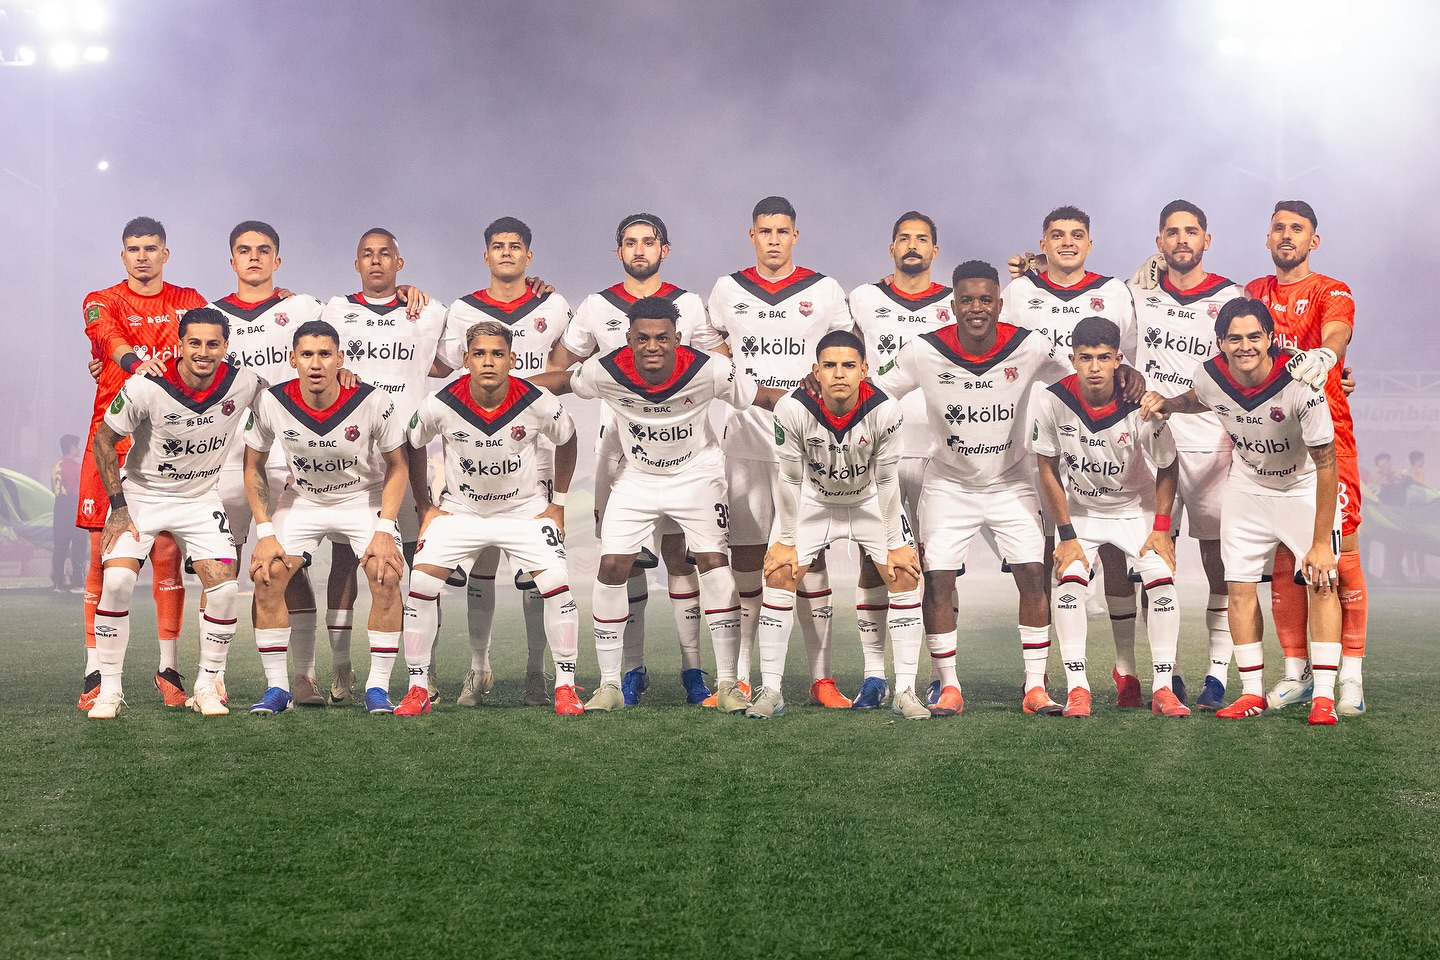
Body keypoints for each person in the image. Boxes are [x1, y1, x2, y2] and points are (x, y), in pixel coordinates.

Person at [532, 295, 787, 714]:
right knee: (612, 565)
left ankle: (727, 684)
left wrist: (812, 400)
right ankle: (610, 685)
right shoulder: (605, 370)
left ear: (678, 338)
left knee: (712, 562)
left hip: (697, 476)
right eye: (643, 338)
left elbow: (763, 398)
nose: (653, 346)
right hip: (637, 478)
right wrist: (505, 386)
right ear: (629, 339)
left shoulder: (710, 368)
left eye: (662, 338)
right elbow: (561, 382)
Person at [876, 260, 1076, 715]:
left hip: (1012, 481)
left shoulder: (1030, 345)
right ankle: (948, 685)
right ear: (953, 305)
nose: (976, 308)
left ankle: (1035, 687)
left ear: (1000, 304)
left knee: (1033, 575)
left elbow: (1075, 380)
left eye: (986, 299)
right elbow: (876, 391)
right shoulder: (924, 350)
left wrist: (1125, 378)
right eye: (966, 300)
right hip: (949, 485)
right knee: (938, 581)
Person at [1140, 297, 1343, 724]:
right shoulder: (1210, 373)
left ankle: (1324, 695)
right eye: (1234, 338)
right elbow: (1202, 397)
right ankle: (1251, 692)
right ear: (1220, 342)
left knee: (1322, 580)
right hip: (1248, 486)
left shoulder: (1300, 381)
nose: (1245, 346)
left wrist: (1321, 542)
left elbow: (1327, 463)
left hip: (1303, 486)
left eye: (1254, 337)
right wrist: (1171, 403)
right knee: (1238, 586)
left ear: (1270, 338)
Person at [692, 196, 854, 708]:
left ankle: (822, 679)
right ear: (752, 236)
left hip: (807, 442)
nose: (774, 240)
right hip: (744, 441)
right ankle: (740, 677)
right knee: (745, 557)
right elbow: (711, 346)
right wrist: (734, 376)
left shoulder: (824, 290)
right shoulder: (727, 289)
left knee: (811, 559)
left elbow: (848, 347)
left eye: (782, 231)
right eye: (765, 231)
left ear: (795, 236)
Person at [549, 213, 710, 705]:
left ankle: (693, 671)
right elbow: (561, 364)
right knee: (627, 561)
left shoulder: (688, 304)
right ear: (619, 251)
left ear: (664, 249)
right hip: (617, 450)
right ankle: (633, 671)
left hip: (679, 448)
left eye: (648, 242)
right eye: (630, 243)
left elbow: (715, 359)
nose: (640, 250)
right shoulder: (596, 306)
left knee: (680, 557)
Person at [1002, 206, 1149, 707]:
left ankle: (1125, 669)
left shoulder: (1113, 292)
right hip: (1040, 431)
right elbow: (1003, 353)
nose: (1067, 242)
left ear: (1090, 243)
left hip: (1103, 434)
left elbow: (1129, 359)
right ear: (1043, 243)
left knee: (1114, 555)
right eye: (1057, 235)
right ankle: (1043, 675)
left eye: (1077, 235)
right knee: (1047, 554)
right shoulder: (1019, 292)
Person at [87, 308, 263, 719]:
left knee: (224, 589)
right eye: (194, 343)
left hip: (199, 499)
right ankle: (109, 689)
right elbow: (103, 438)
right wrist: (118, 507)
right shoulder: (146, 386)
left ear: (226, 346)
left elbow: (291, 398)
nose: (203, 352)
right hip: (142, 496)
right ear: (180, 344)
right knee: (117, 581)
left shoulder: (244, 382)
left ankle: (206, 686)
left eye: (213, 344)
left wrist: (342, 378)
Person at [403, 320, 583, 717]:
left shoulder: (536, 399)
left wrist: (558, 503)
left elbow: (568, 438)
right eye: (480, 354)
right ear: (466, 359)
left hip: (523, 511)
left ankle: (566, 686)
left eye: (497, 354)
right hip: (462, 510)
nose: (488, 362)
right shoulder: (441, 402)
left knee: (557, 582)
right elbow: (413, 442)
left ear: (512, 360)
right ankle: (417, 687)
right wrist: (424, 505)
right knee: (420, 583)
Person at [431, 217, 573, 708]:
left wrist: (523, 394)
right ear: (486, 256)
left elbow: (564, 367)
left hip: (535, 450)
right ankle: (479, 669)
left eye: (515, 246)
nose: (507, 252)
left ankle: (537, 673)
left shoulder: (554, 305)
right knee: (481, 566)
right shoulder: (463, 310)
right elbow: (443, 368)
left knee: (538, 573)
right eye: (498, 246)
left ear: (529, 256)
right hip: (476, 451)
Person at [754, 331, 925, 719]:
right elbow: (789, 478)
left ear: (864, 370)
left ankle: (905, 691)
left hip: (868, 501)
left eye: (849, 365)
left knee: (904, 575)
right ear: (816, 371)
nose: (839, 374)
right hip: (813, 502)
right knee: (779, 573)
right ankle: (771, 691)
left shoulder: (886, 409)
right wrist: (786, 540)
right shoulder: (792, 408)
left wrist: (895, 543)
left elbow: (887, 480)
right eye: (829, 366)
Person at [242, 320, 409, 715]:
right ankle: (278, 688)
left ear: (340, 359)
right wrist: (264, 531)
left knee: (385, 572)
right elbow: (253, 467)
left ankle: (378, 688)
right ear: (293, 359)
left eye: (324, 354)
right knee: (267, 573)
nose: (315, 364)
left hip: (362, 498)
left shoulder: (372, 400)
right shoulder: (271, 402)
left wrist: (385, 528)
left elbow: (398, 466)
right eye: (306, 355)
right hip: (303, 500)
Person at [1122, 200, 1244, 710]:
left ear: (1206, 240)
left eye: (1191, 231)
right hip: (1153, 443)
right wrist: (1034, 272)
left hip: (1213, 445)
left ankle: (1217, 674)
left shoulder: (1231, 296)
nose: (1182, 240)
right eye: (1171, 232)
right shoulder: (1137, 296)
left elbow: (1251, 361)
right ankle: (1165, 674)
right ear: (1159, 243)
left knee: (1220, 561)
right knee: (1156, 562)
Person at [79, 216, 205, 710]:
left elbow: (213, 342)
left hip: (167, 443)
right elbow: (108, 337)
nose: (142, 256)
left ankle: (167, 666)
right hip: (110, 442)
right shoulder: (101, 299)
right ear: (123, 255)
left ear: (165, 254)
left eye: (151, 248)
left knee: (167, 554)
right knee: (102, 556)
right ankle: (94, 669)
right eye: (133, 249)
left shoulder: (189, 300)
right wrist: (133, 364)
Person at [1245, 201, 1365, 715]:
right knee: (1284, 557)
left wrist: (1327, 355)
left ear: (1313, 241)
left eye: (1297, 228)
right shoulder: (1252, 293)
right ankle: (1295, 672)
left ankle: (1350, 676)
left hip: (1328, 437)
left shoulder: (1331, 290)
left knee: (1342, 555)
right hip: (1272, 438)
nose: (1286, 235)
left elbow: (1337, 330)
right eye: (1278, 228)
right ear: (1267, 238)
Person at [318, 228, 446, 707]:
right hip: (352, 456)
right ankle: (341, 666)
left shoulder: (428, 312)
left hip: (407, 454)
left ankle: (423, 669)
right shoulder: (334, 310)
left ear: (399, 263)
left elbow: (443, 364)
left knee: (419, 565)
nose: (376, 261)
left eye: (385, 254)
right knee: (344, 564)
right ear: (356, 264)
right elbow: (311, 352)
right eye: (367, 255)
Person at [1032, 316, 1184, 718]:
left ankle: (1164, 688)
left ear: (1118, 359)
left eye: (1103, 357)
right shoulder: (1052, 400)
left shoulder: (1141, 405)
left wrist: (1162, 529)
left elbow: (1168, 465)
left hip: (1136, 509)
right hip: (1082, 512)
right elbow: (1047, 467)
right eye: (1086, 358)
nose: (1095, 367)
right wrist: (1066, 535)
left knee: (1162, 582)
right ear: (1073, 360)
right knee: (1068, 586)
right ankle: (1077, 688)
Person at [846, 211, 953, 708]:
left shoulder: (953, 303)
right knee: (873, 560)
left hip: (940, 450)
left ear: (935, 251)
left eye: (922, 239)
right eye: (904, 238)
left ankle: (938, 674)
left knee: (937, 566)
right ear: (891, 248)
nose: (913, 246)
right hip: (878, 447)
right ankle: (874, 674)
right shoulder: (864, 299)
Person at [50, 435, 86, 592]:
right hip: (73, 507)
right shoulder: (75, 467)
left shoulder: (55, 466)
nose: (79, 448)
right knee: (79, 545)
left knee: (60, 547)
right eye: (77, 446)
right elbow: (76, 490)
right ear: (72, 447)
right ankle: (77, 583)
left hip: (59, 507)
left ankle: (58, 583)